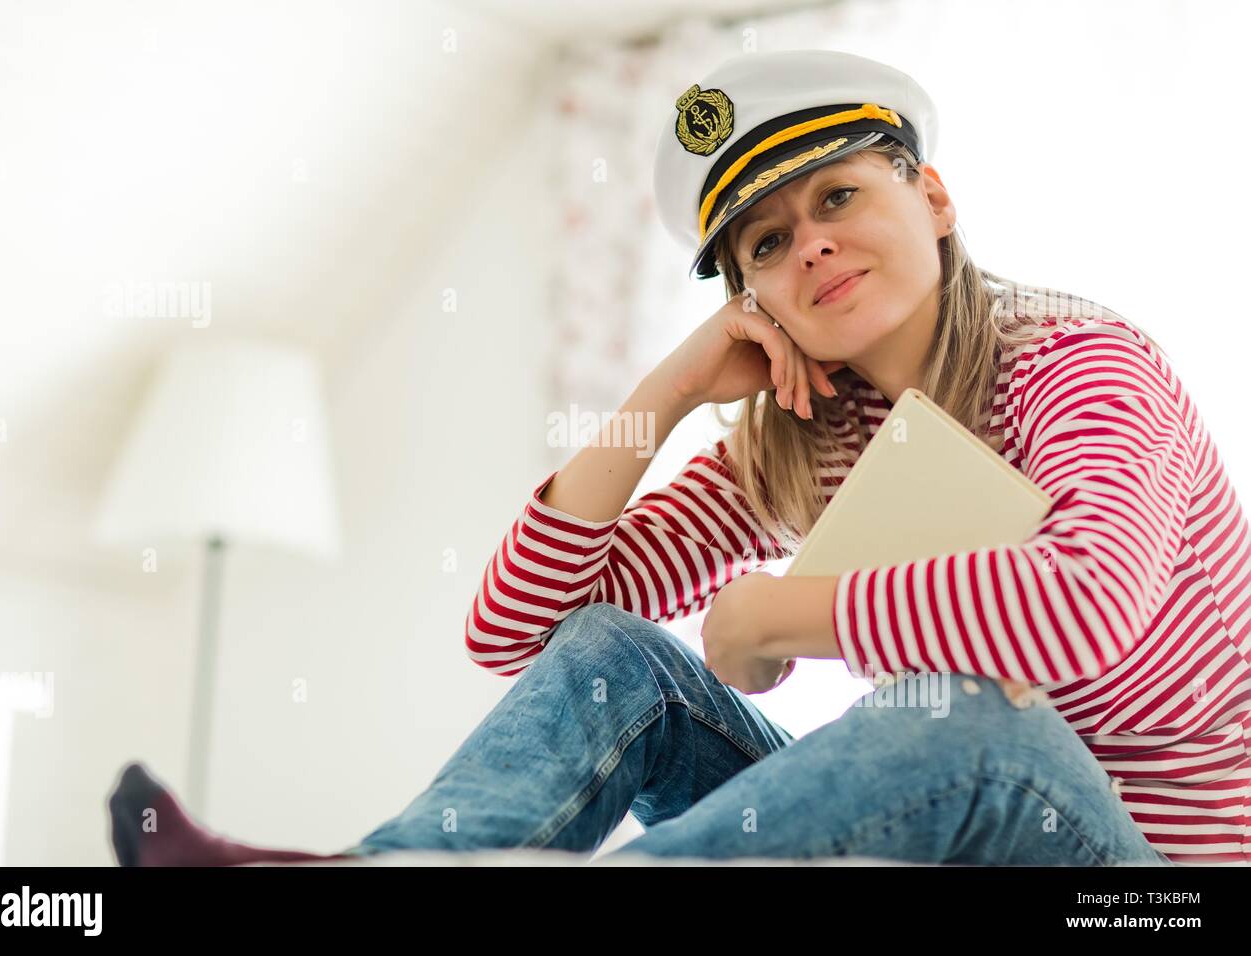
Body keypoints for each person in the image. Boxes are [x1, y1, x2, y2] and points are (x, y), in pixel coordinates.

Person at [108, 49, 1249, 867]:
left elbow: (1085, 602)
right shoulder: (816, 432)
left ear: (933, 197)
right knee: (619, 655)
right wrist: (671, 390)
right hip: (953, 840)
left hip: (1138, 878)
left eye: (838, 193)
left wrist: (772, 616)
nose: (811, 242)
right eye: (766, 239)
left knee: (964, 708)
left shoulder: (1077, 365)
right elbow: (518, 630)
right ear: (750, 290)